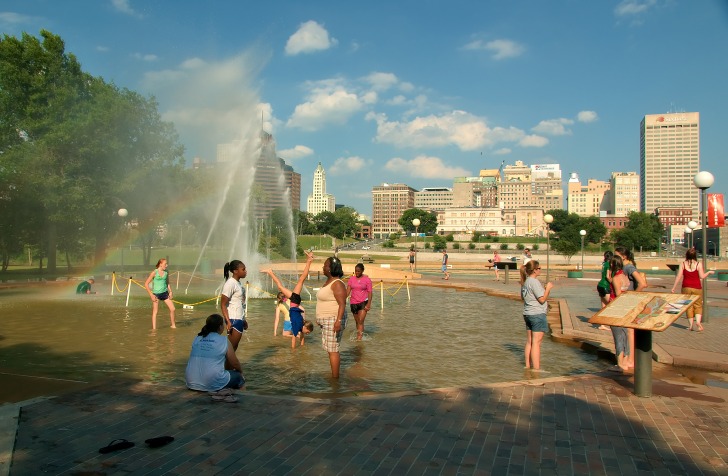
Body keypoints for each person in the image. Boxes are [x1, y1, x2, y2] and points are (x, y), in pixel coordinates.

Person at [185, 314, 245, 397]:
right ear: (220, 327)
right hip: (211, 384)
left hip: (190, 382)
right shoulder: (224, 340)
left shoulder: (197, 338)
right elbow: (234, 363)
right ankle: (239, 394)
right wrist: (241, 372)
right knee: (238, 377)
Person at [265, 252, 316, 348]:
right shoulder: (299, 325)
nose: (307, 333)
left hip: (295, 301)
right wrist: (293, 351)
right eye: (308, 332)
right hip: (295, 300)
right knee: (299, 280)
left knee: (299, 280)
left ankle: (270, 272)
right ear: (305, 327)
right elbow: (293, 338)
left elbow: (302, 337)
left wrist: (302, 347)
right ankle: (309, 261)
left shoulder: (301, 325)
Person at [315, 254, 348, 378]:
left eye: (325, 265)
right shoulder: (329, 282)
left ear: (330, 268)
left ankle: (335, 379)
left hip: (333, 319)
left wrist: (338, 321)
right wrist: (319, 318)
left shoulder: (337, 283)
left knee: (333, 349)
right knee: (330, 349)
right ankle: (334, 376)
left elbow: (342, 304)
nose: (323, 267)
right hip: (327, 320)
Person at [614, 247, 647, 369]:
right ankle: (629, 358)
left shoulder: (628, 267)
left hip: (629, 302)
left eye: (616, 255)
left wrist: (633, 295)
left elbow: (642, 283)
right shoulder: (626, 267)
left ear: (623, 256)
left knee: (630, 331)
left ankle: (631, 360)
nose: (614, 258)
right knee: (628, 331)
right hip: (629, 302)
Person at [519, 260, 552, 371]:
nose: (540, 270)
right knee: (536, 343)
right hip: (537, 314)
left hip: (528, 314)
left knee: (530, 341)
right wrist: (548, 288)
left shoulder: (525, 282)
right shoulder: (534, 282)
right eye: (539, 268)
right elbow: (542, 299)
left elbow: (523, 298)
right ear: (534, 270)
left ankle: (528, 366)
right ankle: (536, 369)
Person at [670, 247, 714, 332]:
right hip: (697, 287)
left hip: (686, 287)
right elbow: (702, 276)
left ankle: (690, 326)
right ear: (695, 255)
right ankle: (697, 322)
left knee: (688, 306)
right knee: (698, 305)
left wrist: (674, 287)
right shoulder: (698, 264)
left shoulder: (682, 264)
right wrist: (708, 272)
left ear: (687, 255)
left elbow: (679, 276)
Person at [608, 255, 631, 371]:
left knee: (618, 336)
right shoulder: (625, 277)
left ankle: (620, 363)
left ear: (613, 265)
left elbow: (618, 295)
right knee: (625, 334)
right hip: (625, 308)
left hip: (616, 309)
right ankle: (626, 360)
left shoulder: (617, 278)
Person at [221, 260, 247, 352]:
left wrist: (243, 319)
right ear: (235, 271)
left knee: (233, 348)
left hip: (238, 319)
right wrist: (228, 321)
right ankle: (224, 366)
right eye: (243, 269)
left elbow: (240, 303)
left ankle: (229, 366)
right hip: (233, 320)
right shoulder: (230, 283)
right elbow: (223, 304)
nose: (245, 271)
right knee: (230, 350)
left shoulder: (238, 283)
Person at [144, 258, 176, 329]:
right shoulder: (154, 273)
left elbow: (167, 282)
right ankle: (154, 329)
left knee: (173, 309)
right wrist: (151, 294)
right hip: (156, 294)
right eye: (165, 264)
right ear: (160, 264)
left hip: (165, 293)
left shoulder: (166, 272)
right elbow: (146, 284)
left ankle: (173, 325)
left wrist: (170, 292)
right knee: (155, 312)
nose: (166, 265)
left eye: (167, 264)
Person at [347, 263, 373, 341]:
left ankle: (359, 338)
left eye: (358, 271)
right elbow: (348, 291)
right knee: (357, 321)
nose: (357, 273)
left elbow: (370, 292)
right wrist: (342, 300)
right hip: (353, 302)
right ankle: (359, 334)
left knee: (361, 321)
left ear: (362, 271)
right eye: (356, 271)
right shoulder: (351, 279)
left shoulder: (367, 280)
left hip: (363, 302)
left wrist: (368, 304)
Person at [596, 251, 613, 331]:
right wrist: (612, 282)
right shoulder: (609, 264)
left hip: (600, 285)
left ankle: (602, 324)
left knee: (603, 305)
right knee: (610, 305)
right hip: (605, 286)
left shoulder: (604, 264)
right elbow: (607, 276)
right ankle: (610, 322)